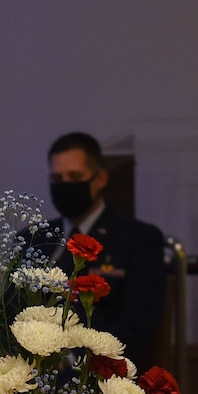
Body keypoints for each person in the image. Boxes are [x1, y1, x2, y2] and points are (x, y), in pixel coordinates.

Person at [46, 132, 168, 366]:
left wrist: (74, 361)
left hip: (94, 369)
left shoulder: (137, 239)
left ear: (100, 179)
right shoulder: (35, 238)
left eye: (75, 176)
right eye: (57, 179)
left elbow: (136, 325)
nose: (66, 186)